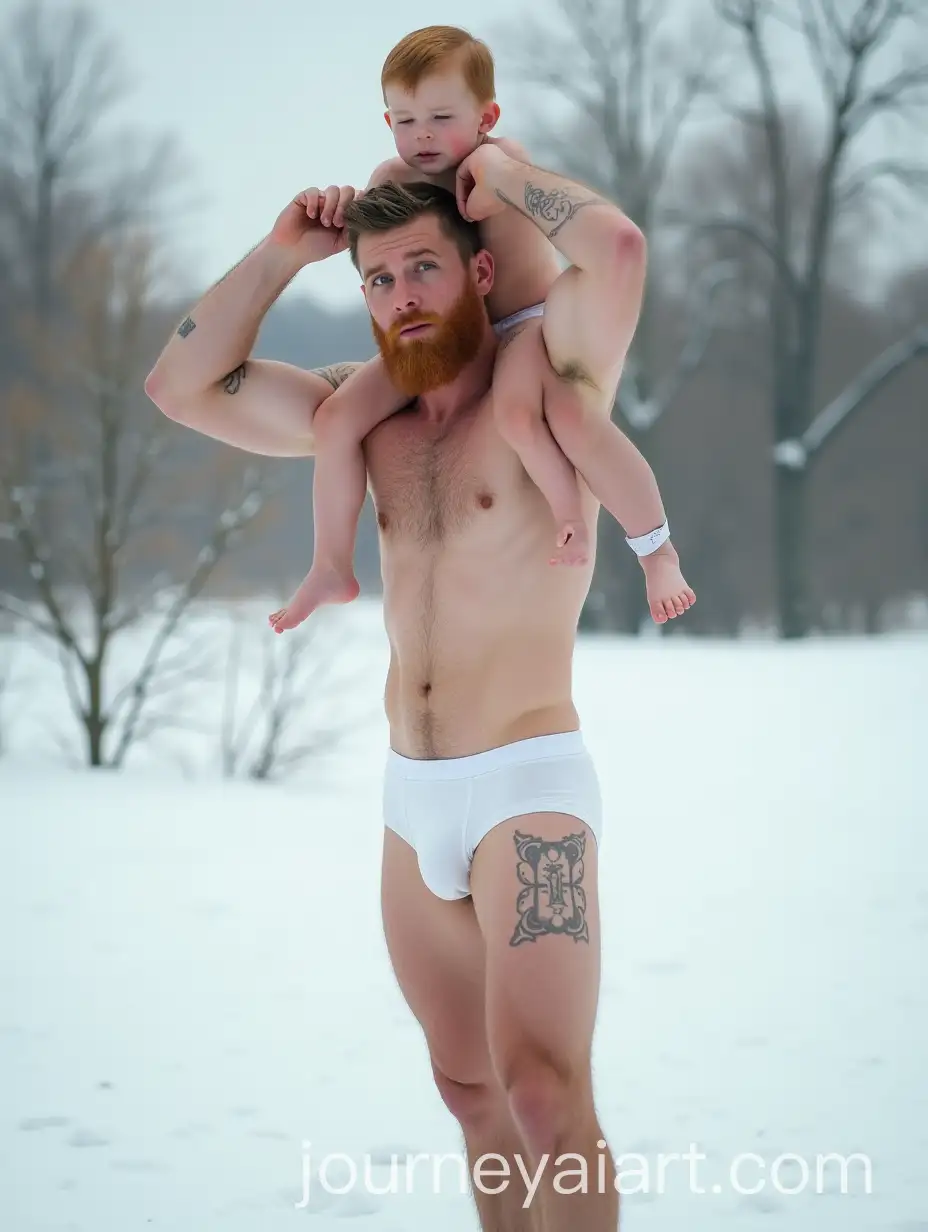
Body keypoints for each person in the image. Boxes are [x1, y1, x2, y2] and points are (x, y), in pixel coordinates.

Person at [145, 142, 686, 1229]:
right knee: (472, 1092)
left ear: (479, 272)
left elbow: (616, 248)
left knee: (543, 1091)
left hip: (526, 784)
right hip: (412, 802)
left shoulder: (548, 387)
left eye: (422, 268)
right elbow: (179, 386)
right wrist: (282, 251)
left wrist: (503, 169)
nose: (399, 298)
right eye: (378, 279)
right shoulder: (363, 414)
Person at [266, 24, 696, 635]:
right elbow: (376, 262)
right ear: (387, 123)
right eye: (406, 120)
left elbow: (595, 237)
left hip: (520, 330)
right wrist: (326, 211)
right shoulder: (391, 180)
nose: (423, 135)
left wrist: (502, 176)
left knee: (542, 416)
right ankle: (331, 565)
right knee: (336, 418)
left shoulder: (503, 162)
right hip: (442, 341)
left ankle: (653, 549)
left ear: (486, 116)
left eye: (441, 117)